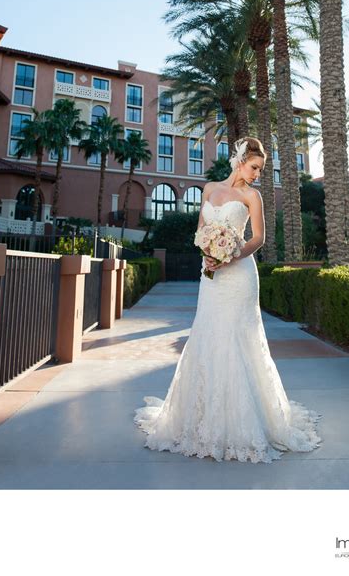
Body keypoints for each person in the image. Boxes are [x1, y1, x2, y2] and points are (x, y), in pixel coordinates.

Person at [134, 136, 322, 463]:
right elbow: (201, 231)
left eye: (260, 169)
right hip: (211, 276)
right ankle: (203, 417)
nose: (257, 174)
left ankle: (245, 421)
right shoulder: (209, 189)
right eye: (254, 167)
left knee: (239, 338)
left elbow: (259, 238)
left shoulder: (253, 196)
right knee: (207, 334)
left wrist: (232, 254)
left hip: (240, 276)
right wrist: (209, 254)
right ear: (239, 160)